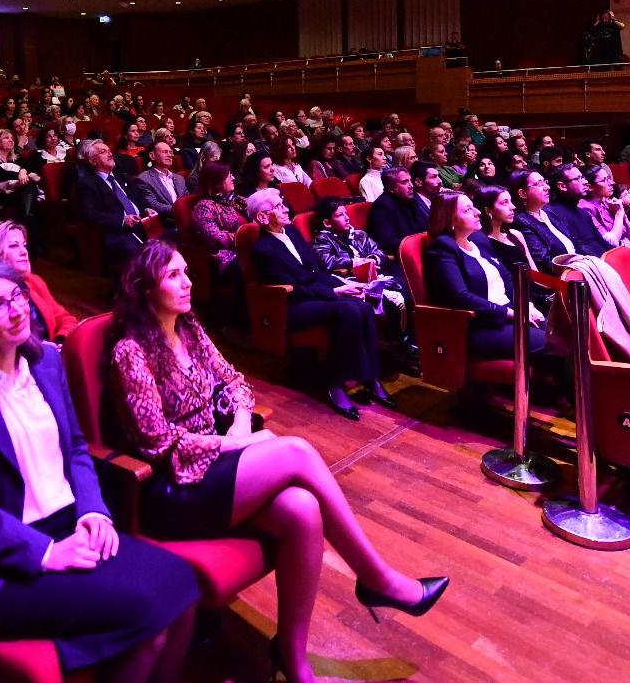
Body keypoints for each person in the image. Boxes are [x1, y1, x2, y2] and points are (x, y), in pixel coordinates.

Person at [108, 242, 446, 682]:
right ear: (144, 287)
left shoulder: (188, 327)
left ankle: (291, 652)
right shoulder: (130, 352)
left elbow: (233, 378)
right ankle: (377, 579)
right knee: (297, 451)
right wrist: (232, 445)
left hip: (215, 465)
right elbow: (157, 443)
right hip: (175, 489)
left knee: (304, 511)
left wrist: (242, 427)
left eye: (187, 271)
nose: (188, 281)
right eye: (173, 275)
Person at [0, 262, 200, 679]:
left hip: (74, 524)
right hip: (9, 557)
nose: (16, 310)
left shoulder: (47, 361)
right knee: (150, 616)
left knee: (181, 582)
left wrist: (94, 511)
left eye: (17, 296)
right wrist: (45, 552)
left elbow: (78, 449)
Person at [244, 188, 392, 420]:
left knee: (363, 305)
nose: (285, 209)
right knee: (348, 309)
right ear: (262, 217)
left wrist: (343, 284)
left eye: (283, 203)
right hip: (293, 306)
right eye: (278, 206)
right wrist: (334, 291)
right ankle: (335, 383)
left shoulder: (292, 231)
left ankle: (371, 378)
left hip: (316, 293)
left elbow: (317, 270)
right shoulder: (263, 249)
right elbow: (292, 291)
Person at [423, 193, 548, 362]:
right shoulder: (443, 247)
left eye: (473, 206)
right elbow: (460, 296)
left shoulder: (479, 239)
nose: (477, 212)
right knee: (554, 344)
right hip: (482, 325)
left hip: (511, 312)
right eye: (467, 210)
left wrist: (528, 306)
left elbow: (508, 278)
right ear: (450, 220)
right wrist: (511, 313)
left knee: (568, 334)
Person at [0, 221, 79, 343]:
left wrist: (59, 342)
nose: (24, 251)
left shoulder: (34, 281)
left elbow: (66, 319)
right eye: (14, 246)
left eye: (24, 245)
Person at [73, 140, 154, 271]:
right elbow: (89, 214)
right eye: (103, 152)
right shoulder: (87, 184)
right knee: (138, 252)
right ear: (93, 161)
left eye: (109, 151)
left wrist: (146, 208)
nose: (110, 154)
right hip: (116, 231)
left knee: (170, 238)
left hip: (142, 225)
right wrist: (122, 220)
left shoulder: (123, 177)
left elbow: (139, 197)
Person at [544, 164, 612, 256]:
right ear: (562, 186)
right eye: (578, 179)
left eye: (583, 177)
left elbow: (603, 243)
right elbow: (578, 249)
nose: (585, 182)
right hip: (590, 265)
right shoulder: (553, 214)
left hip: (603, 262)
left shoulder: (583, 213)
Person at [364, 168, 428, 261]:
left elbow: (424, 228)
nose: (411, 185)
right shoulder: (382, 207)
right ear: (391, 188)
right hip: (401, 258)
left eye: (410, 180)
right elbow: (387, 242)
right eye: (404, 182)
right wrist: (419, 245)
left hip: (419, 252)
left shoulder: (412, 201)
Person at [0, 129, 40, 222]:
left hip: (20, 192)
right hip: (2, 196)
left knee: (29, 183)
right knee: (29, 182)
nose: (11, 140)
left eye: (12, 138)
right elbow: (0, 175)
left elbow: (28, 168)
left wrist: (23, 172)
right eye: (6, 138)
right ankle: (27, 216)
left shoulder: (17, 157)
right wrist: (20, 174)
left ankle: (28, 215)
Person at [578, 163, 630, 247]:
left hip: (628, 247)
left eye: (609, 178)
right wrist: (619, 215)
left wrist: (624, 217)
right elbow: (611, 243)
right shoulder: (585, 208)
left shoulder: (606, 201)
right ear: (590, 187)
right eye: (604, 180)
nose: (611, 182)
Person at [132, 139, 187, 227]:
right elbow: (153, 204)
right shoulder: (144, 179)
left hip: (185, 219)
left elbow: (186, 198)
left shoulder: (179, 178)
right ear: (152, 155)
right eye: (165, 152)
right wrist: (179, 210)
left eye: (170, 152)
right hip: (166, 224)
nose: (170, 155)